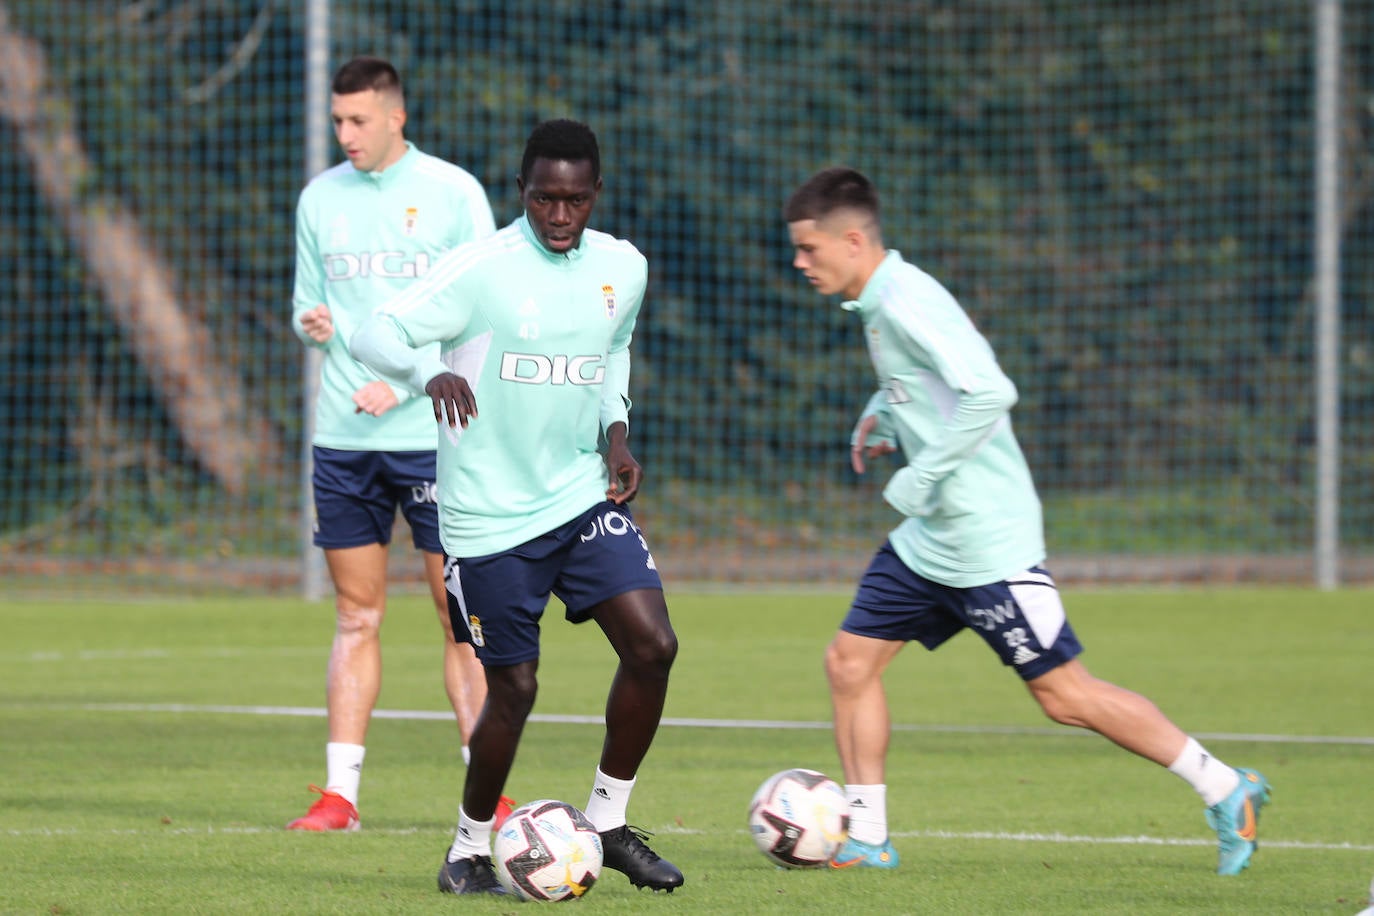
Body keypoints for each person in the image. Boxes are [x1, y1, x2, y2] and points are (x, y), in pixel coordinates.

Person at [783, 166, 1271, 876]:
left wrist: (921, 473)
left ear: (852, 240)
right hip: (931, 541)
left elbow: (990, 392)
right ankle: (868, 835)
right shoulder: (879, 300)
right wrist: (886, 411)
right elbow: (933, 385)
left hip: (986, 542)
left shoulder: (906, 301)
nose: (800, 262)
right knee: (849, 663)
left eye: (809, 249)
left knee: (1065, 697)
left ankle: (1227, 788)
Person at [350, 118, 684, 896]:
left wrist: (617, 433)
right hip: (487, 520)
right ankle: (467, 849)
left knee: (653, 645)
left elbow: (613, 350)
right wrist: (425, 371)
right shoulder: (481, 268)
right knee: (516, 690)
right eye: (543, 200)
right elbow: (376, 332)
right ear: (523, 193)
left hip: (577, 495)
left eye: (573, 200)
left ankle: (607, 822)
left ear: (596, 193)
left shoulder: (622, 268)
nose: (559, 217)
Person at [288, 55, 510, 832]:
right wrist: (313, 326)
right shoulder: (320, 198)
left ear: (394, 117)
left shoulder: (453, 194)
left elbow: (485, 319)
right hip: (344, 439)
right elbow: (307, 305)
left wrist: (411, 380)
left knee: (459, 617)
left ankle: (488, 797)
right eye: (336, 121)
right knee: (356, 615)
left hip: (433, 438)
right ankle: (339, 796)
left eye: (356, 120)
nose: (344, 134)